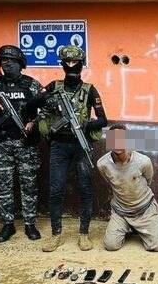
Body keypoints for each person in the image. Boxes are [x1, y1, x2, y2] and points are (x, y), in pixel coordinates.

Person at [25, 45, 107, 252]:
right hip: (59, 146)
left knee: (86, 189)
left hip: (81, 145)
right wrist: (49, 102)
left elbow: (103, 120)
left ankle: (84, 234)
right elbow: (30, 104)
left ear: (81, 65)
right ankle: (56, 234)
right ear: (62, 64)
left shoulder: (90, 90)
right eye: (67, 63)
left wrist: (86, 125)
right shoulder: (54, 86)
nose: (71, 66)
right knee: (56, 190)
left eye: (75, 63)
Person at [0, 45, 42, 243]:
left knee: (29, 185)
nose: (7, 64)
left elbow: (47, 108)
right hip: (1, 143)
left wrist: (34, 122)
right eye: (4, 61)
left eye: (12, 61)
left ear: (20, 63)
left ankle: (30, 223)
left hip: (26, 143)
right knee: (4, 185)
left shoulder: (31, 85)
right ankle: (7, 225)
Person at [98, 124, 158, 252]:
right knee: (111, 245)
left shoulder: (143, 161)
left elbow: (148, 179)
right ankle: (127, 228)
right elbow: (111, 182)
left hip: (145, 210)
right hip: (121, 212)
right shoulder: (103, 164)